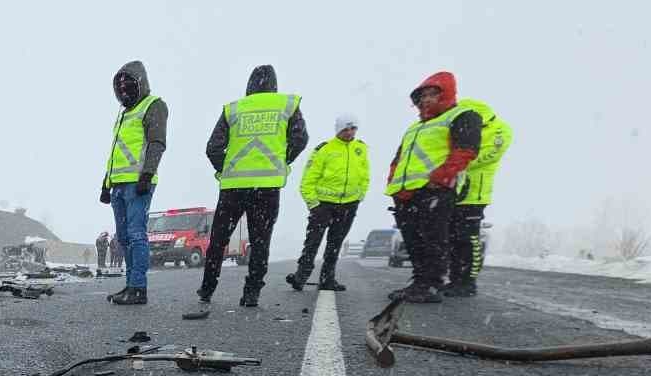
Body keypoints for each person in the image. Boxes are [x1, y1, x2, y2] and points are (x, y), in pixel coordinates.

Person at [198, 65, 308, 307]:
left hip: (233, 187)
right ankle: (251, 292)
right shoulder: (286, 105)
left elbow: (213, 147)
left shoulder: (234, 109)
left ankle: (207, 289)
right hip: (267, 187)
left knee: (218, 240)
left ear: (249, 85)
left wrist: (225, 169)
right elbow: (300, 139)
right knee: (260, 242)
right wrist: (282, 160)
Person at [383, 71, 482, 303]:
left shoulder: (462, 115)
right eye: (422, 96)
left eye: (432, 94)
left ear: (446, 93)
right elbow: (398, 158)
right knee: (413, 241)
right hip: (405, 194)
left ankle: (432, 284)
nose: (426, 100)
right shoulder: (414, 128)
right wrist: (393, 184)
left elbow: (465, 151)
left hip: (434, 192)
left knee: (433, 240)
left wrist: (438, 180)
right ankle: (420, 282)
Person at [99, 60, 168, 305]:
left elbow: (157, 143)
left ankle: (139, 287)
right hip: (118, 183)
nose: (123, 89)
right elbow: (115, 151)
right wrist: (105, 183)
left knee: (137, 234)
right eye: (119, 86)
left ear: (140, 82)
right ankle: (130, 285)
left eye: (127, 83)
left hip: (138, 183)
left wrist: (147, 174)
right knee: (124, 237)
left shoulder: (154, 105)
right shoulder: (124, 113)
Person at [287, 114, 370, 292]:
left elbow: (365, 175)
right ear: (338, 130)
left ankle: (327, 279)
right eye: (345, 129)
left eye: (353, 128)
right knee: (312, 242)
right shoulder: (324, 149)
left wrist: (360, 196)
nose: (349, 132)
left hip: (349, 204)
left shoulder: (361, 148)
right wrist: (313, 204)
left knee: (335, 244)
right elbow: (308, 180)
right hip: (323, 205)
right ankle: (300, 277)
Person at [444, 99, 512, 296]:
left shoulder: (500, 130)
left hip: (475, 194)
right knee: (451, 238)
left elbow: (486, 156)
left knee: (468, 239)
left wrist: (455, 163)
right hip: (451, 189)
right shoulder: (456, 126)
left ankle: (467, 282)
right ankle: (454, 279)